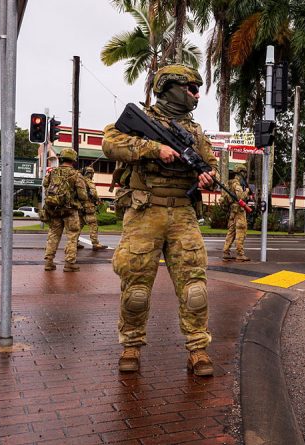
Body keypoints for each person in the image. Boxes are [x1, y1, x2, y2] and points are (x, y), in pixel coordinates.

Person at [102, 64, 218, 376]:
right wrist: (155, 149)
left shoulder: (196, 132)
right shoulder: (144, 121)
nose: (196, 94)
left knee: (195, 287)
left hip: (183, 212)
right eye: (191, 87)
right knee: (136, 287)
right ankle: (131, 345)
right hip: (145, 211)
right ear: (170, 87)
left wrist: (209, 176)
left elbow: (211, 164)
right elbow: (110, 143)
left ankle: (198, 348)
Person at [42, 148, 89, 272]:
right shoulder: (76, 175)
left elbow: (45, 185)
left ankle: (49, 262)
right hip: (70, 211)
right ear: (73, 159)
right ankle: (69, 263)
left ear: (61, 158)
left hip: (54, 209)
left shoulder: (52, 172)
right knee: (72, 236)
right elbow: (83, 195)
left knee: (53, 235)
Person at [222, 164, 251, 261]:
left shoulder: (230, 183)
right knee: (241, 231)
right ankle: (240, 254)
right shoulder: (237, 184)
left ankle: (226, 252)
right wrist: (246, 191)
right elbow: (241, 197)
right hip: (239, 210)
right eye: (244, 173)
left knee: (231, 232)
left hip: (232, 210)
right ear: (241, 172)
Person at [80, 166, 108, 250]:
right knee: (93, 225)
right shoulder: (89, 182)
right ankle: (95, 243)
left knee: (79, 225)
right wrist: (97, 200)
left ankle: (75, 242)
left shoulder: (79, 181)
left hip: (79, 207)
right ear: (91, 174)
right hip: (88, 206)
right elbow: (94, 193)